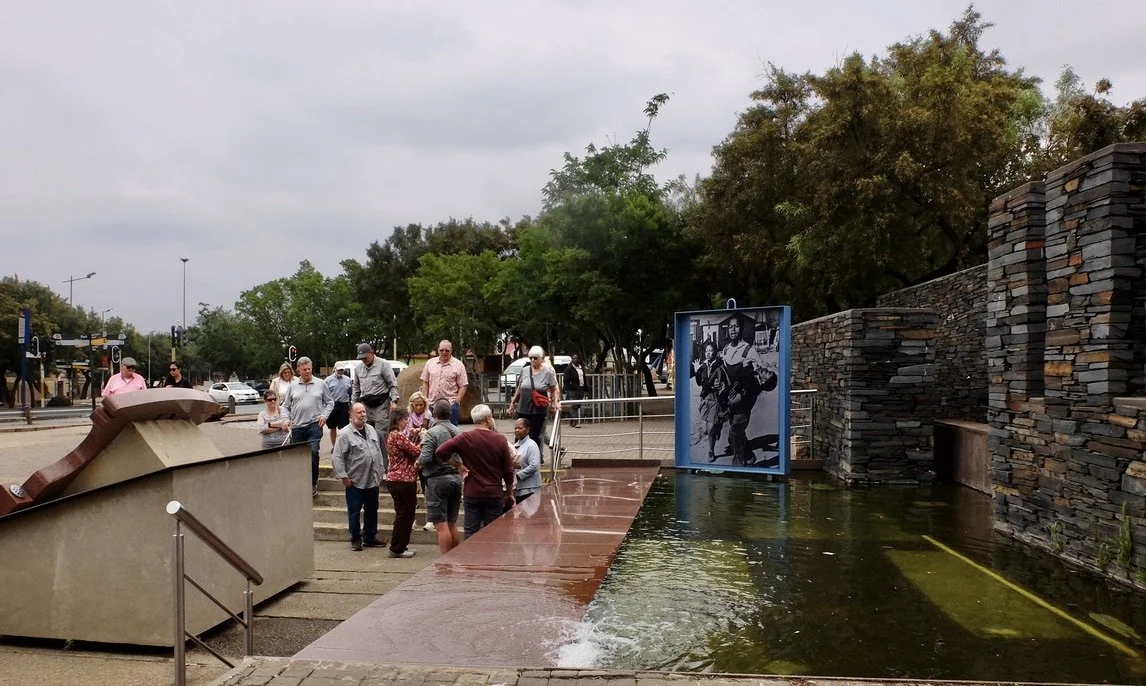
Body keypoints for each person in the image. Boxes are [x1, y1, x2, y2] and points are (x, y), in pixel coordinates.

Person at [435, 404, 515, 539]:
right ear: (489, 419)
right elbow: (508, 470)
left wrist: (458, 465)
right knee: (493, 532)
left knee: (471, 530)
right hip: (494, 493)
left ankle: (469, 558)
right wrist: (509, 492)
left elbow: (441, 451)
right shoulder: (500, 439)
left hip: (472, 491)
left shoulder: (465, 438)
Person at [720, 316, 778, 466]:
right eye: (731, 327)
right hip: (729, 398)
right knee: (734, 434)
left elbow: (759, 374)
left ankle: (738, 465)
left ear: (741, 329)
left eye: (736, 327)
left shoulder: (749, 350)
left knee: (736, 433)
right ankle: (749, 456)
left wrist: (752, 375)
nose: (733, 330)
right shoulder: (726, 349)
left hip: (743, 400)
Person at [330, 402, 387, 551]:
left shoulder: (372, 430)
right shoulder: (344, 434)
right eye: (359, 412)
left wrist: (381, 470)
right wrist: (343, 476)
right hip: (355, 480)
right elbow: (337, 457)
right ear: (351, 415)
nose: (362, 415)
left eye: (364, 412)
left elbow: (378, 451)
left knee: (372, 509)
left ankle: (370, 537)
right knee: (354, 511)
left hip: (372, 478)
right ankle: (355, 538)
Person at [282, 356, 333, 496]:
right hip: (297, 426)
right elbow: (285, 406)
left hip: (314, 425)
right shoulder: (292, 386)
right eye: (304, 369)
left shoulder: (321, 384)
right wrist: (285, 420)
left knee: (313, 452)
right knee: (299, 456)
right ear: (298, 370)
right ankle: (300, 481)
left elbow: (330, 402)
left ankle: (312, 482)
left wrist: (324, 416)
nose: (307, 372)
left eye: (309, 369)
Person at [417, 400, 463, 554]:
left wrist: (416, 464)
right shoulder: (457, 431)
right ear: (450, 413)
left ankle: (446, 563)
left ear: (434, 414)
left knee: (441, 524)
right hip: (456, 478)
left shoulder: (432, 432)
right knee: (452, 523)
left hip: (437, 480)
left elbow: (425, 458)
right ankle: (455, 558)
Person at [507, 346, 560, 463]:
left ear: (541, 359)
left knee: (535, 435)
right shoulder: (525, 370)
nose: (532, 360)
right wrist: (512, 403)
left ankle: (534, 460)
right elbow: (519, 388)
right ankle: (518, 458)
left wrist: (556, 401)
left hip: (538, 409)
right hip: (523, 407)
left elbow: (553, 388)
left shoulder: (548, 372)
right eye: (530, 358)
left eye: (535, 358)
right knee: (519, 432)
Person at [384, 408, 419, 558]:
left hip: (396, 479)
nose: (407, 422)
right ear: (398, 420)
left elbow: (408, 449)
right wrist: (424, 439)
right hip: (403, 480)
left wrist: (413, 437)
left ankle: (400, 545)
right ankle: (397, 548)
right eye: (405, 419)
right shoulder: (397, 435)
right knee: (405, 515)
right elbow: (415, 451)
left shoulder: (392, 436)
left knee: (402, 514)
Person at [352, 343, 398, 457]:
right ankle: (368, 462)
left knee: (380, 434)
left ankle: (383, 466)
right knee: (365, 434)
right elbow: (356, 387)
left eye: (365, 357)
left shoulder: (383, 365)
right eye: (361, 358)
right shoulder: (358, 368)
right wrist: (353, 404)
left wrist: (394, 401)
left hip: (381, 405)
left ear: (371, 353)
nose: (363, 360)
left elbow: (392, 384)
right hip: (365, 405)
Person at [690, 340, 729, 463]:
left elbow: (724, 380)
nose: (708, 353)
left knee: (710, 428)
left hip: (716, 399)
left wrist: (718, 383)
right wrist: (697, 372)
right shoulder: (703, 366)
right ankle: (717, 428)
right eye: (706, 351)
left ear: (715, 352)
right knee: (706, 429)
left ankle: (711, 451)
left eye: (711, 351)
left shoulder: (719, 364)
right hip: (705, 399)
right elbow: (699, 383)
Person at [420, 340, 468, 426]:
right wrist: (425, 401)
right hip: (431, 405)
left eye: (447, 350)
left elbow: (463, 385)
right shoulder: (430, 363)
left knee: (451, 434)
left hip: (450, 405)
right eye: (442, 350)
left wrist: (456, 403)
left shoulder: (459, 365)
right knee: (431, 432)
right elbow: (425, 382)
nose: (444, 352)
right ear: (438, 350)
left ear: (451, 351)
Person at [404, 391, 434, 531]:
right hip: (410, 455)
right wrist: (411, 432)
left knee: (427, 487)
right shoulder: (408, 419)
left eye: (421, 405)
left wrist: (423, 434)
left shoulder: (430, 419)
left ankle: (431, 519)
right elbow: (403, 434)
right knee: (410, 489)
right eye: (416, 405)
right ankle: (411, 519)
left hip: (424, 455)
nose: (419, 407)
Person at [512, 417, 542, 505]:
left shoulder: (532, 445)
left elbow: (534, 466)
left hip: (530, 488)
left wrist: (517, 476)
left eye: (520, 428)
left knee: (529, 515)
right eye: (515, 428)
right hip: (519, 487)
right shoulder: (515, 446)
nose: (517, 430)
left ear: (528, 429)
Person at [324, 367, 352, 449]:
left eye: (342, 370)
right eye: (339, 370)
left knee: (345, 428)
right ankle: (334, 446)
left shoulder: (348, 380)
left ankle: (344, 446)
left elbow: (350, 393)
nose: (340, 372)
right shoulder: (328, 380)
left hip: (344, 405)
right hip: (332, 405)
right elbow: (325, 394)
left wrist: (350, 405)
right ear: (335, 370)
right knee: (332, 427)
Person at [562, 353, 588, 427]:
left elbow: (584, 378)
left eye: (577, 358)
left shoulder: (581, 368)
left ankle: (572, 421)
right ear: (572, 360)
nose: (575, 360)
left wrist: (586, 388)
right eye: (574, 358)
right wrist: (570, 388)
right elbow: (566, 380)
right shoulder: (569, 369)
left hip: (581, 389)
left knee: (577, 406)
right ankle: (575, 422)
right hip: (573, 390)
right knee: (574, 405)